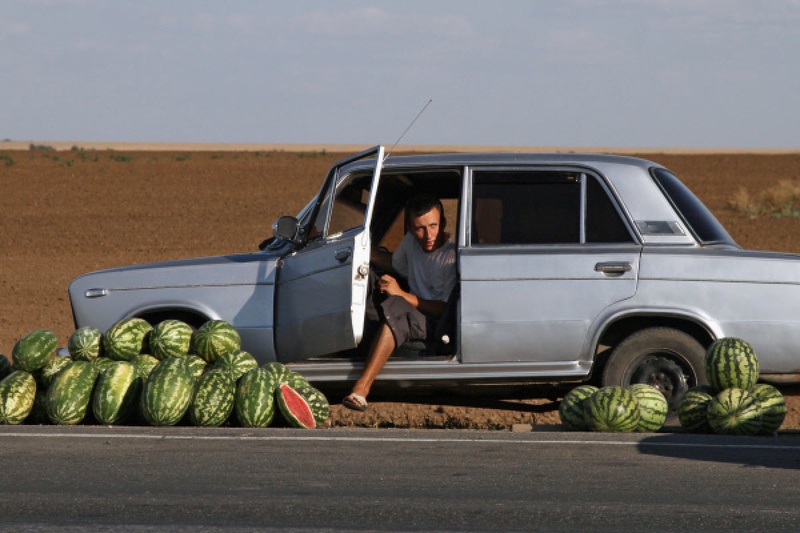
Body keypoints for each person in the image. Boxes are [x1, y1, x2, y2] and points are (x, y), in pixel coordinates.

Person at [342, 193, 457, 411]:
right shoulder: (411, 242)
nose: (427, 235)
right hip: (408, 311)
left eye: (433, 226)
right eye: (420, 228)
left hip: (434, 321)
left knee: (397, 305)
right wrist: (366, 253)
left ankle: (361, 389)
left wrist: (401, 294)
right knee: (366, 281)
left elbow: (442, 309)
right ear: (411, 228)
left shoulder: (450, 256)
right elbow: (395, 264)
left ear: (443, 223)